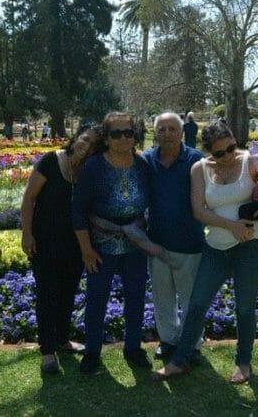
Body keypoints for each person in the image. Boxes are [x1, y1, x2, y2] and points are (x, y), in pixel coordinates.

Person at [153, 121, 258, 385]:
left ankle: (243, 363)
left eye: (231, 147)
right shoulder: (200, 169)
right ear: (208, 152)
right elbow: (199, 211)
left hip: (253, 245)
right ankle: (179, 362)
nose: (228, 156)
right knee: (196, 304)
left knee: (244, 307)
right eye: (219, 153)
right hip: (216, 246)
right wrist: (231, 225)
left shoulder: (252, 160)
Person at [72, 112, 153, 374]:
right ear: (106, 139)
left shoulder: (142, 166)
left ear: (134, 136)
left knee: (136, 298)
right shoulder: (94, 167)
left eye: (128, 133)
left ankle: (133, 347)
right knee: (96, 299)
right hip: (101, 244)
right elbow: (78, 211)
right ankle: (92, 351)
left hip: (135, 243)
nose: (122, 138)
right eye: (115, 133)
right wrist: (86, 249)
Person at [21, 124, 103, 374]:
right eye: (84, 139)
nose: (85, 146)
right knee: (47, 295)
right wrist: (27, 233)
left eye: (92, 145)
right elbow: (29, 198)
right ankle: (47, 350)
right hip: (44, 242)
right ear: (76, 137)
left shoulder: (89, 172)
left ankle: (62, 339)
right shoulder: (50, 161)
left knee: (68, 292)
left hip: (76, 244)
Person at [142, 112, 205, 364]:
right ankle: (167, 341)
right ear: (154, 133)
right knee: (163, 297)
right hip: (156, 242)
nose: (167, 133)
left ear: (182, 132)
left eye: (172, 129)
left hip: (189, 242)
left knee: (190, 299)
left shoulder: (195, 160)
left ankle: (192, 345)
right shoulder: (147, 161)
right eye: (162, 129)